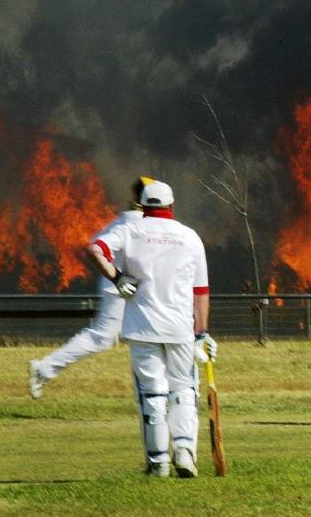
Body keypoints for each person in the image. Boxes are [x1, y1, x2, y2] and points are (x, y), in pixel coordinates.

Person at [87, 180, 217, 477]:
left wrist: (117, 278)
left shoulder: (131, 230)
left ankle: (158, 462)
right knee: (183, 390)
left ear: (143, 206)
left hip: (142, 327)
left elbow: (96, 249)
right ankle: (185, 453)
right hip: (180, 328)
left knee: (152, 394)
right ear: (171, 206)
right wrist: (203, 332)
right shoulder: (190, 237)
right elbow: (201, 291)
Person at [29, 176, 155, 399]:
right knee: (119, 337)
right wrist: (118, 278)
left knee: (116, 337)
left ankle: (45, 368)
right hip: (123, 285)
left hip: (123, 284)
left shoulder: (123, 220)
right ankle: (154, 393)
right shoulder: (137, 222)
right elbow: (97, 248)